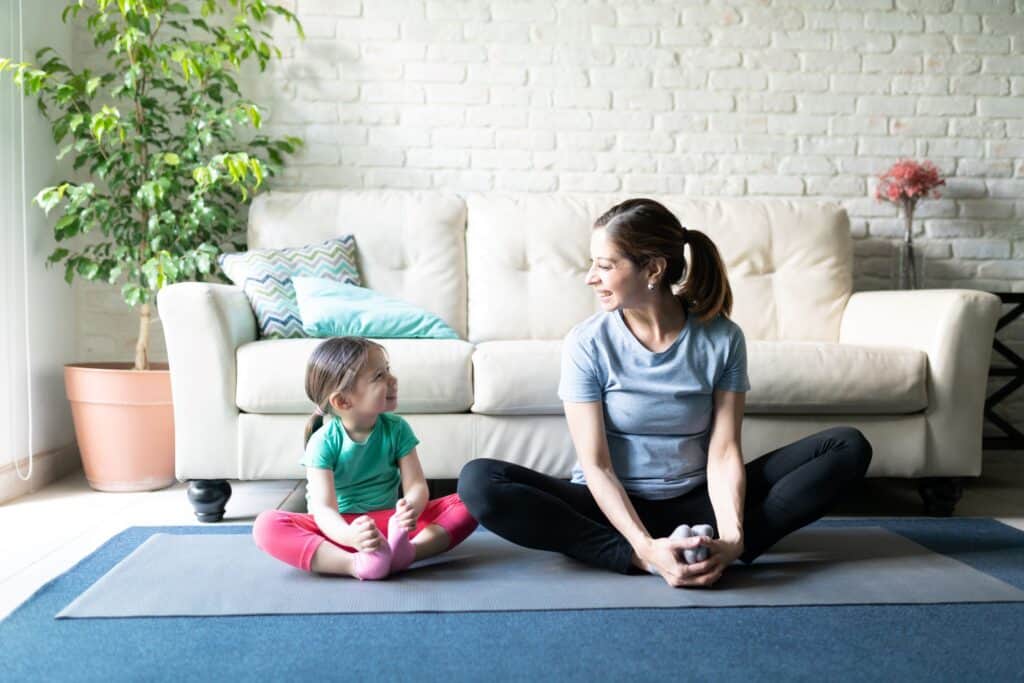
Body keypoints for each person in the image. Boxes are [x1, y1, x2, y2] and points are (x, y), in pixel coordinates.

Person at [458, 198, 872, 588]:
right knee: (479, 481)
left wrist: (731, 535)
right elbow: (596, 465)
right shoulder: (587, 342)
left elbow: (724, 450)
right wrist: (643, 548)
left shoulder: (723, 338)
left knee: (847, 447)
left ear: (653, 269)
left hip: (697, 500)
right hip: (608, 508)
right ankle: (645, 556)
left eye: (605, 265)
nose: (591, 277)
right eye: (593, 264)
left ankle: (720, 551)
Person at [253, 336, 477, 580]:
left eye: (387, 371)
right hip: (337, 532)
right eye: (380, 376)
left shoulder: (397, 428)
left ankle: (409, 552)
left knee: (472, 502)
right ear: (342, 401)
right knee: (266, 525)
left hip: (392, 527)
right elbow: (323, 508)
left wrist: (408, 510)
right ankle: (355, 564)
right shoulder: (323, 441)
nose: (393, 380)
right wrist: (351, 536)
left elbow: (415, 485)